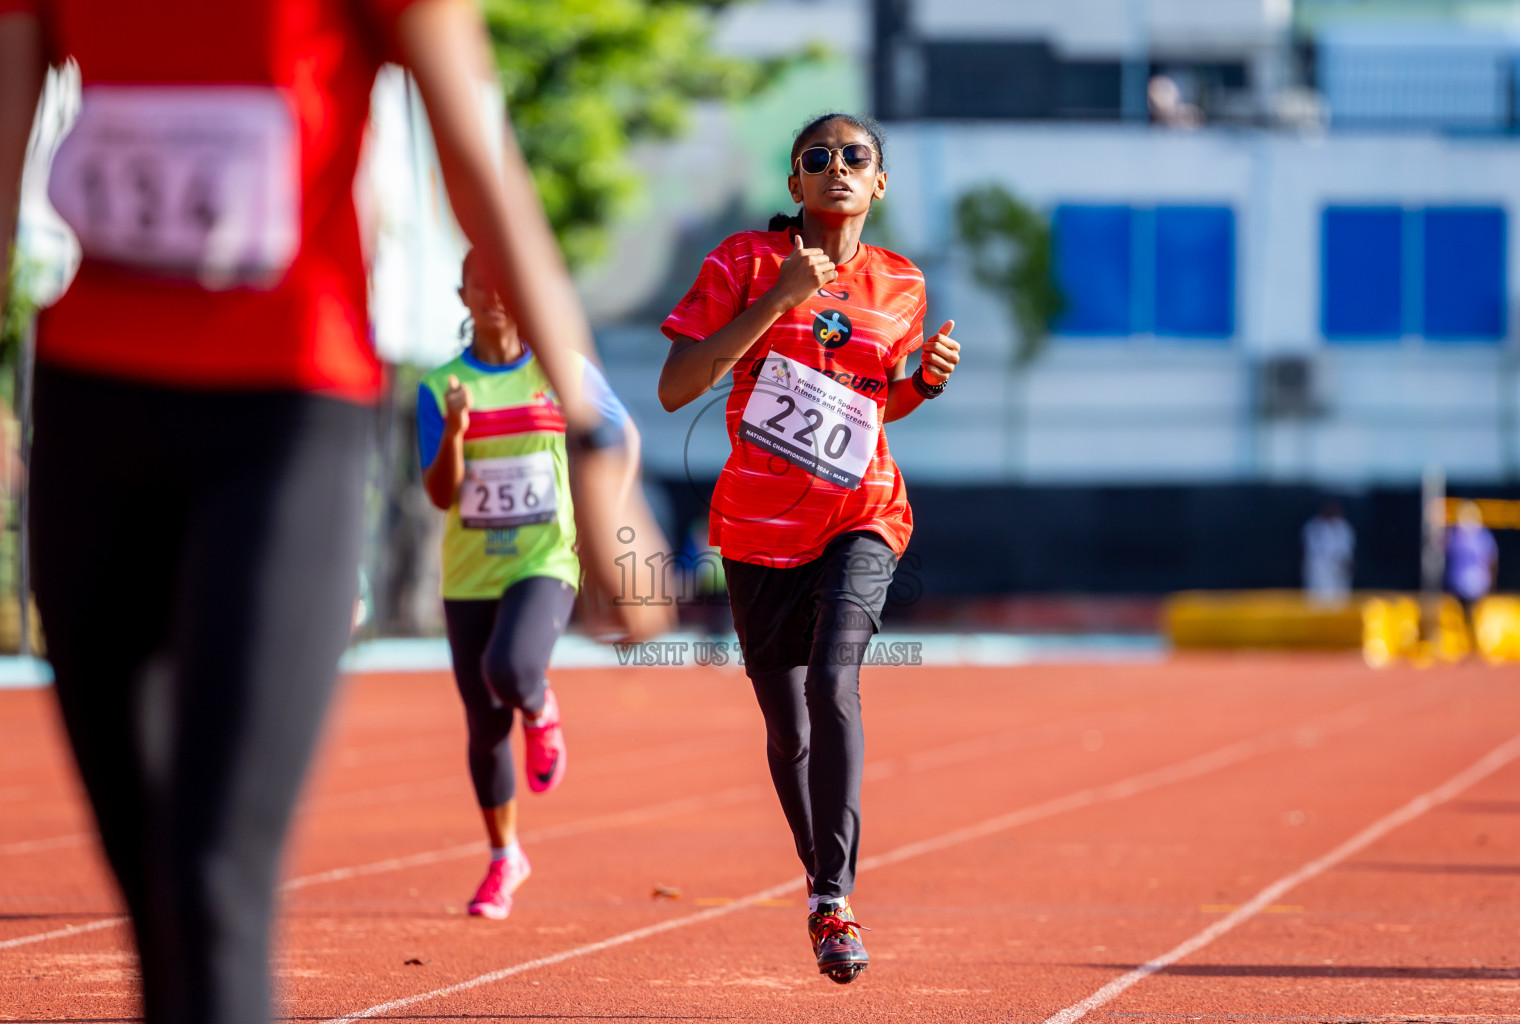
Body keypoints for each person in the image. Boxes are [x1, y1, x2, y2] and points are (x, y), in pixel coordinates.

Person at [0, 3, 668, 1023]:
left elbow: (479, 166)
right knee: (152, 891)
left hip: (281, 419)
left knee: (214, 878)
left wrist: (589, 445)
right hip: (94, 421)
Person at [656, 112, 961, 984]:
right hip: (757, 529)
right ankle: (821, 880)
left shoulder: (900, 283)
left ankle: (833, 900)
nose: (836, 168)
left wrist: (920, 385)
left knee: (835, 679)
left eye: (853, 158)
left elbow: (872, 403)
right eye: (815, 159)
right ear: (793, 184)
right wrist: (780, 297)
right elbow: (679, 386)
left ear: (879, 183)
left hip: (863, 511)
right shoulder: (742, 263)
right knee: (785, 731)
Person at [418, 248, 636, 919]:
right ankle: (503, 857)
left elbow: (619, 439)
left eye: (505, 283)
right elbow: (439, 493)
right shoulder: (440, 387)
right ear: (462, 296)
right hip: (469, 572)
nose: (494, 296)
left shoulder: (562, 372)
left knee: (509, 671)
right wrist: (456, 429)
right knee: (483, 727)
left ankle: (540, 710)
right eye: (479, 285)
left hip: (546, 559)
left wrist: (605, 528)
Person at [1446, 501, 1498, 612]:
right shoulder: (1454, 537)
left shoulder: (1484, 537)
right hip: (1458, 587)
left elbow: (1491, 561)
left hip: (1478, 586)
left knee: (1474, 613)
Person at [1301, 500, 1354, 604]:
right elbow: (1309, 549)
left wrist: (1347, 563)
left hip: (1339, 567)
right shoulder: (1313, 526)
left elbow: (1347, 549)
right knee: (1318, 598)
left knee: (1340, 599)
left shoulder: (1344, 527)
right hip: (1319, 568)